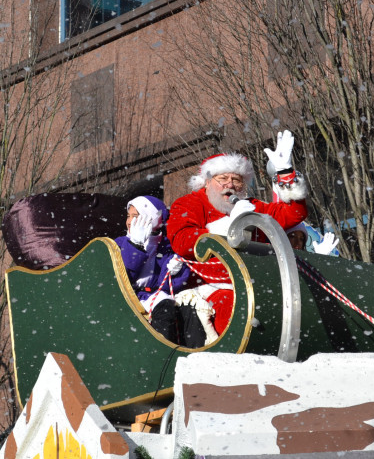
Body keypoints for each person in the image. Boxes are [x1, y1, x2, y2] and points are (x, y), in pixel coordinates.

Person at [166, 130, 310, 336]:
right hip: (211, 287)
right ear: (207, 182)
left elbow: (294, 214)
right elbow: (182, 242)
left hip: (256, 284)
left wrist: (285, 172)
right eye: (223, 178)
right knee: (235, 312)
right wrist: (231, 226)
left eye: (237, 180)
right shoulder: (189, 203)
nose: (231, 185)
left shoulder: (251, 206)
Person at [115, 196, 192, 344]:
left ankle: (175, 349)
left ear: (151, 219)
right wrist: (134, 245)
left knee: (178, 308)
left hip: (152, 297)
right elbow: (123, 277)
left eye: (135, 216)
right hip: (127, 297)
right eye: (128, 216)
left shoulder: (165, 246)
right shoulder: (119, 243)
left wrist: (174, 271)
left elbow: (165, 286)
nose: (129, 221)